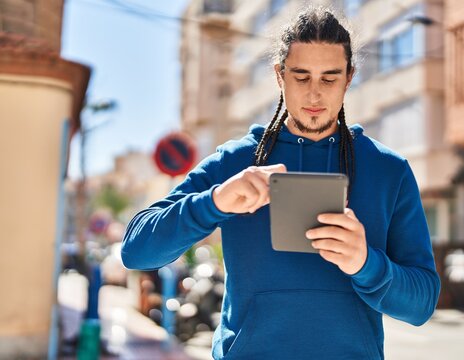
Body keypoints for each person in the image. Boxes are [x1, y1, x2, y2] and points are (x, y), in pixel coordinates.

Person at [122, 7, 440, 359]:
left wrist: (366, 264)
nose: (315, 95)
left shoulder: (388, 170)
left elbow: (422, 303)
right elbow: (136, 251)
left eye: (329, 78)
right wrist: (214, 202)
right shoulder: (235, 162)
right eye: (301, 77)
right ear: (279, 76)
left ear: (349, 77)